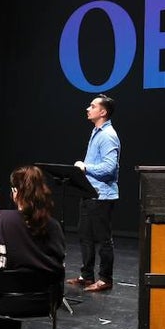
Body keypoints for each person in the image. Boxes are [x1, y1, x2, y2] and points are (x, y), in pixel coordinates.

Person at [0, 164, 65, 329]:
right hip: (46, 302)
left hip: (7, 303)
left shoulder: (1, 220)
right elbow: (59, 267)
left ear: (15, 193)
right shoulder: (55, 226)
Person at [69, 95, 120, 292]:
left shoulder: (107, 135)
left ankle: (105, 278)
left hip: (102, 196)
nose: (87, 109)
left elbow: (109, 168)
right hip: (89, 193)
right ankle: (86, 275)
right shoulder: (96, 132)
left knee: (103, 239)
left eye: (92, 106)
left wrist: (85, 167)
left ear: (103, 112)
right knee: (85, 236)